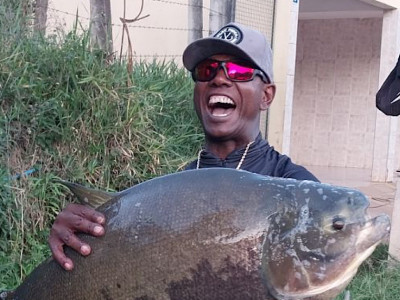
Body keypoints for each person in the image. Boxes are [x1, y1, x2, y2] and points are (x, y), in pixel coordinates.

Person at [49, 22, 319, 270]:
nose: (219, 79)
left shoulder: (298, 190)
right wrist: (78, 241)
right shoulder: (164, 195)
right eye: (206, 70)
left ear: (266, 95)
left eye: (239, 71)